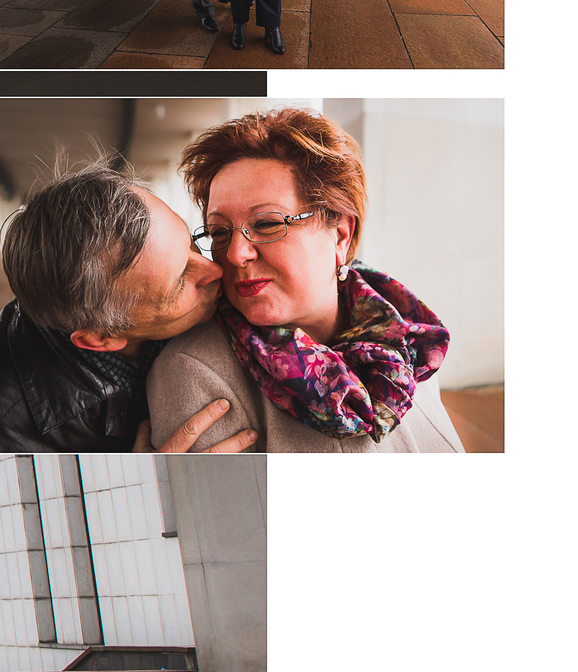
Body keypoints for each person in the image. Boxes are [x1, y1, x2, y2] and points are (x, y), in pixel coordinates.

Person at [149, 108, 462, 452]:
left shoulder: (408, 341)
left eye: (267, 223)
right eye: (219, 232)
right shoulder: (194, 372)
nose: (236, 254)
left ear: (341, 235)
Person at [0, 162, 256, 454]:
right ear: (102, 337)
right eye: (179, 283)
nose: (215, 269)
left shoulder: (113, 303)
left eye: (191, 244)